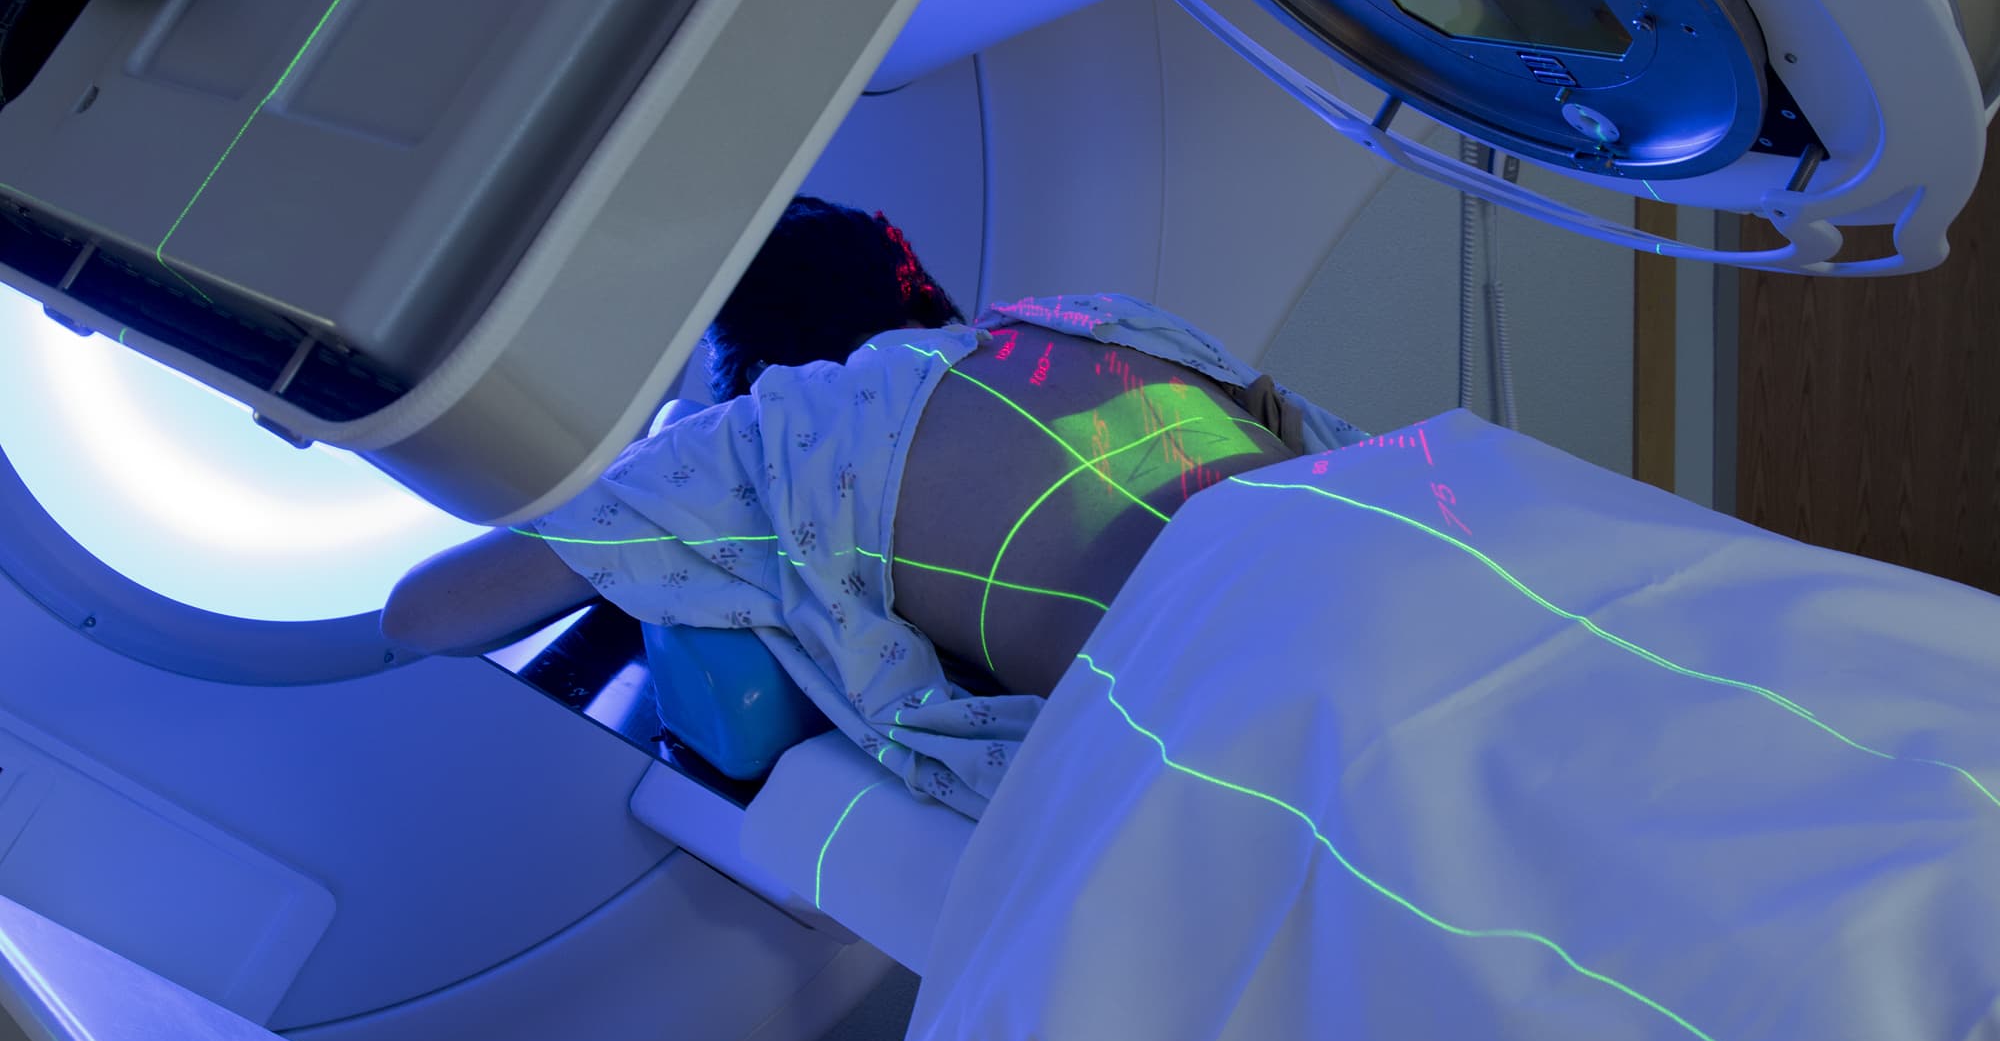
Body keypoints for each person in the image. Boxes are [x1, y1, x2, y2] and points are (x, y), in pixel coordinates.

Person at [382, 196, 1367, 816]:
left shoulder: (775, 431)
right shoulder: (1095, 320)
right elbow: (1332, 448)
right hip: (1385, 565)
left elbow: (422, 614)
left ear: (749, 366)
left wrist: (653, 460)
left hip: (1246, 716)